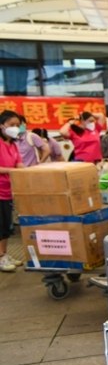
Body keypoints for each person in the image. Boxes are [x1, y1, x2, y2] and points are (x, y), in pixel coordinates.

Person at [0, 110, 24, 272]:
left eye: (17, 125)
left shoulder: (13, 144)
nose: (15, 128)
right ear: (2, 125)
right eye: (11, 125)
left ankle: (4, 254)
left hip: (8, 191)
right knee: (1, 227)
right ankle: (1, 257)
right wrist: (13, 171)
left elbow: (19, 165)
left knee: (7, 227)